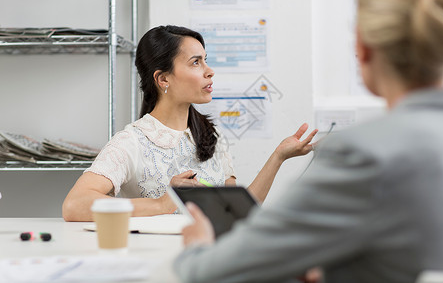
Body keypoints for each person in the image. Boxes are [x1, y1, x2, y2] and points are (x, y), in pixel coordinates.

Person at [174, 0, 443, 282]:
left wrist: (197, 245)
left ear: (362, 47)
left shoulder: (362, 151)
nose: (208, 71)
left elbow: (211, 272)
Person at [62, 25, 317, 222]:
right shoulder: (131, 143)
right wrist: (163, 204)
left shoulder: (210, 137)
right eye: (196, 62)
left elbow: (239, 211)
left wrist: (278, 157)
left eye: (205, 60)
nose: (209, 71)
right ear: (163, 79)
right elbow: (75, 205)